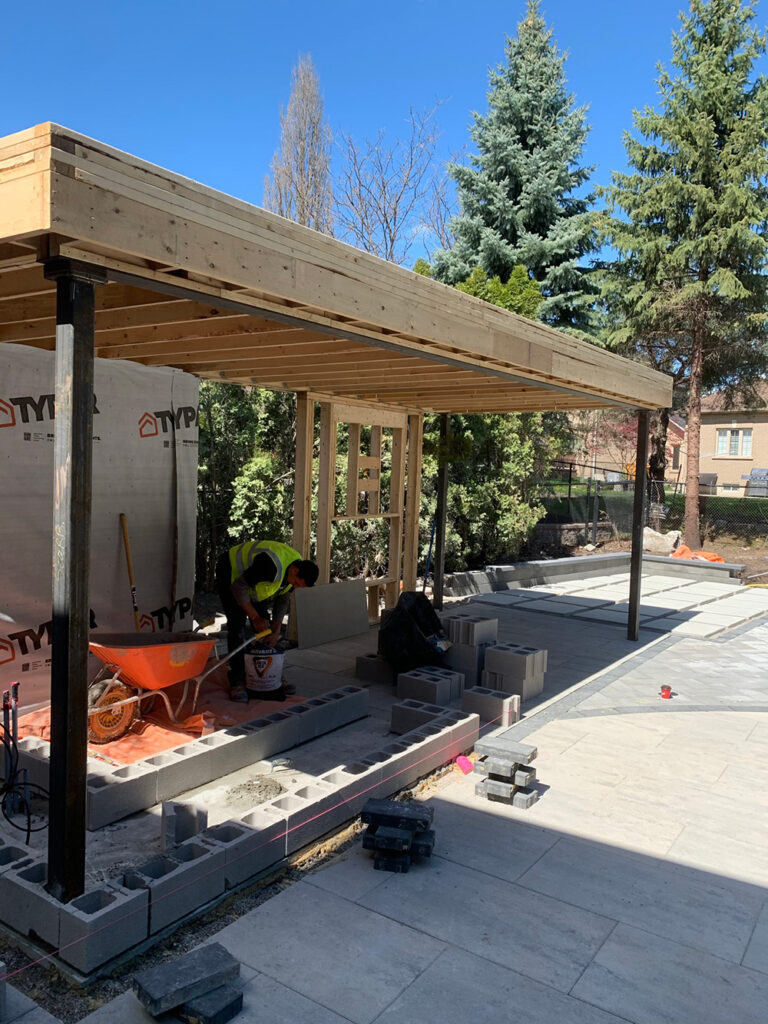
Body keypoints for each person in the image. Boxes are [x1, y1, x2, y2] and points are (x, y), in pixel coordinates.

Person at [215, 540, 319, 702]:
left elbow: (284, 596)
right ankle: (237, 681)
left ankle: (269, 675)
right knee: (238, 627)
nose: (296, 587)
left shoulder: (295, 569)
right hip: (230, 573)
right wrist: (255, 617)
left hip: (255, 585)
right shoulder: (270, 566)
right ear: (294, 570)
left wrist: (276, 627)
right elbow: (238, 587)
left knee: (266, 630)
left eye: (300, 586)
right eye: (297, 583)